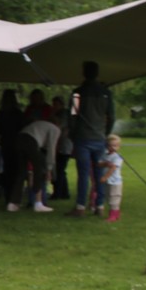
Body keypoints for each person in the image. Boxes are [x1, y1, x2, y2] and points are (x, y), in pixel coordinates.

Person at [69, 60, 115, 216]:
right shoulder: (106, 93)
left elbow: (73, 116)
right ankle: (100, 206)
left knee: (83, 174)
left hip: (82, 137)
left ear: (83, 73)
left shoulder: (77, 93)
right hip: (99, 137)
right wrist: (105, 133)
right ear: (97, 73)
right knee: (98, 172)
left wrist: (73, 134)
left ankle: (80, 206)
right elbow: (112, 117)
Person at [7, 113, 58, 212]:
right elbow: (51, 149)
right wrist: (49, 169)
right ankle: (38, 202)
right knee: (38, 170)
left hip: (19, 139)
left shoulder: (39, 124)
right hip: (31, 142)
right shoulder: (55, 129)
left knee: (21, 172)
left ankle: (13, 203)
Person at [0, 89, 25, 207]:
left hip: (6, 144)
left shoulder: (1, 114)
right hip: (16, 143)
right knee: (17, 171)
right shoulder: (18, 114)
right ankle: (15, 196)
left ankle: (8, 196)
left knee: (7, 170)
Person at [50, 95, 73, 199]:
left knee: (59, 169)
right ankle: (64, 193)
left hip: (64, 145)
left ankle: (58, 193)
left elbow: (59, 126)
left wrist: (52, 116)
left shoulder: (64, 114)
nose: (54, 106)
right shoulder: (62, 114)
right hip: (60, 145)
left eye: (56, 104)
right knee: (60, 170)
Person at [98, 133, 124, 222]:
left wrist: (105, 177)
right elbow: (99, 164)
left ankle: (113, 216)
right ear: (107, 146)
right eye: (110, 145)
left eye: (115, 146)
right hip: (108, 181)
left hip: (115, 181)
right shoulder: (105, 155)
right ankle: (116, 214)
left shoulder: (117, 157)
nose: (113, 147)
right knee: (108, 197)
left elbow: (113, 168)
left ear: (119, 146)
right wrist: (105, 163)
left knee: (114, 198)